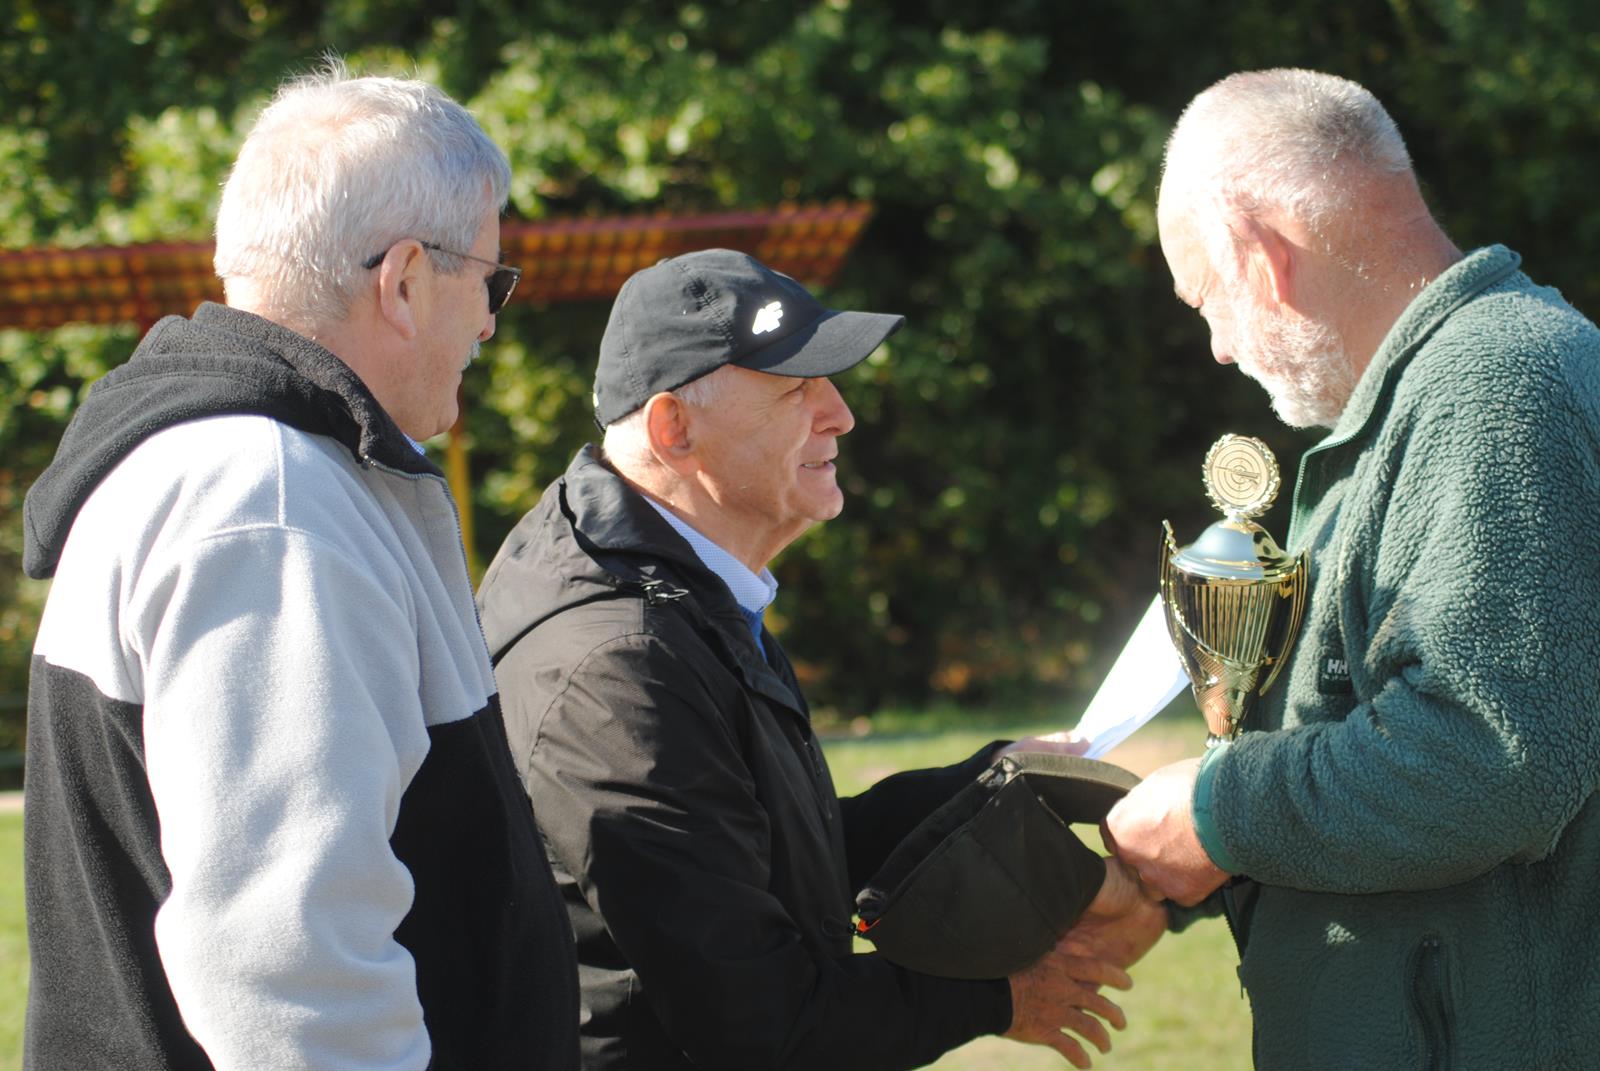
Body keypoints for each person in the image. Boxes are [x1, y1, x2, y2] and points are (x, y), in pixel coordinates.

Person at [477, 248, 1165, 1071]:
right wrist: (999, 995)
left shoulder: (673, 578)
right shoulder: (616, 665)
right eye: (796, 388)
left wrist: (988, 781)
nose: (839, 414)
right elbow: (761, 1020)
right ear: (673, 428)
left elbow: (769, 854)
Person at [21, 65, 579, 1070]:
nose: (492, 321)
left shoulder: (253, 468)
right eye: (489, 281)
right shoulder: (268, 500)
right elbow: (287, 967)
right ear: (403, 279)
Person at [1105, 68, 1600, 1068]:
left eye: (1203, 297)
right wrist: (1196, 866)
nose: (1212, 348)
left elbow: (1490, 759)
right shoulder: (1434, 394)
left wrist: (1212, 811)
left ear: (1261, 256)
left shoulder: (1493, 386)